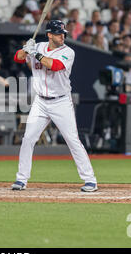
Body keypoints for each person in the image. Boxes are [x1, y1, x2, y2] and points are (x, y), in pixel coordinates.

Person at [11, 19, 98, 192]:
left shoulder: (68, 52)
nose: (62, 36)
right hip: (41, 102)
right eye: (58, 34)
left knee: (72, 140)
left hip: (61, 102)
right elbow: (17, 59)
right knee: (28, 138)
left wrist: (34, 53)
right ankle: (21, 179)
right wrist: (24, 50)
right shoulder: (39, 46)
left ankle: (90, 180)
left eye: (63, 34)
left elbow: (55, 65)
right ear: (49, 34)